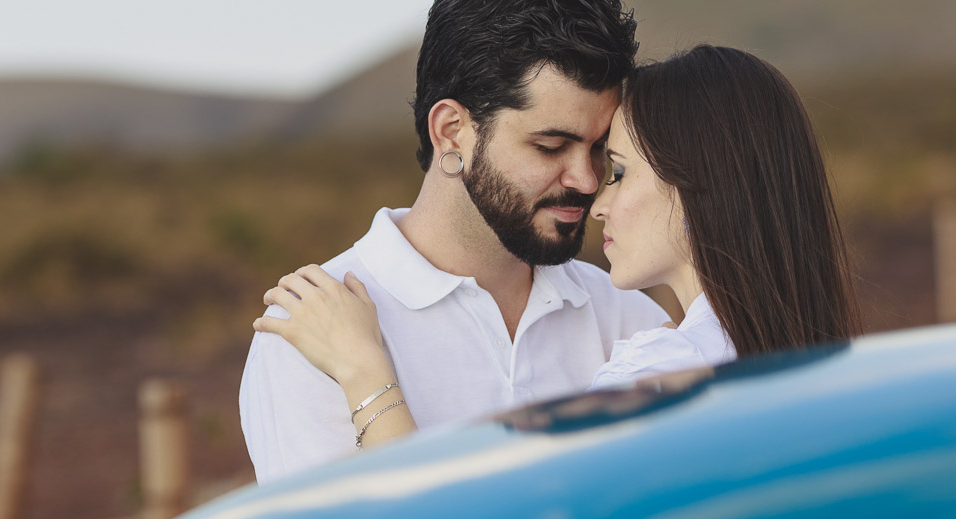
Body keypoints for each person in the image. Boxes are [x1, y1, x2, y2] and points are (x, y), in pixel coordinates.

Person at [255, 45, 862, 449]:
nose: (591, 190)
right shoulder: (830, 375)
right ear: (451, 132)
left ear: (700, 189)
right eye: (550, 145)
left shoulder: (654, 366)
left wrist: (365, 375)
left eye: (613, 166)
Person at [239, 0, 669, 484]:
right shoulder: (310, 332)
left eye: (598, 148)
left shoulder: (631, 322)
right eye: (551, 145)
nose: (586, 179)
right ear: (450, 131)